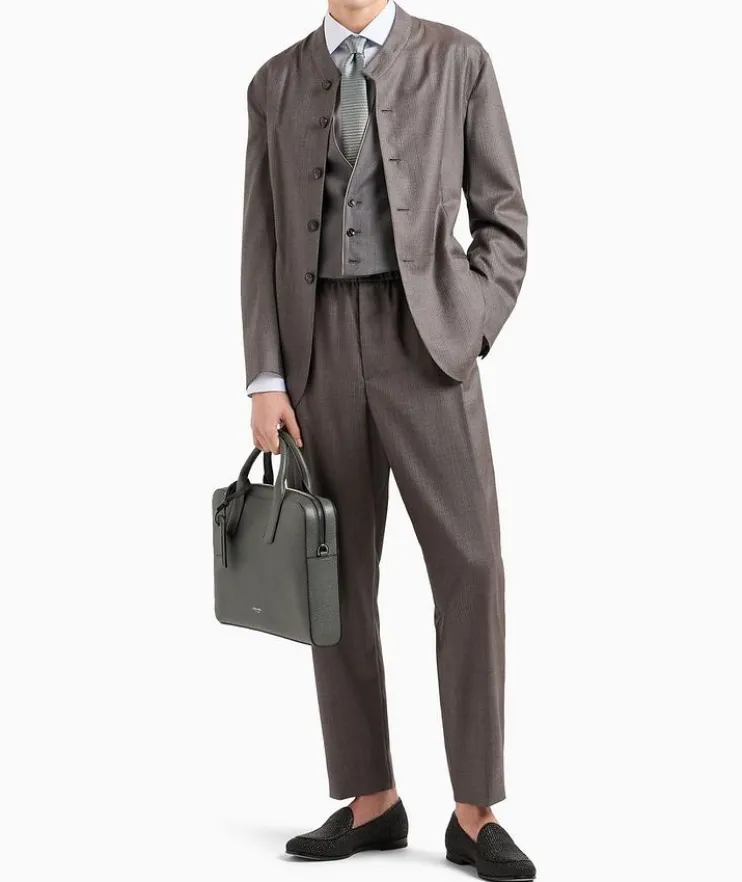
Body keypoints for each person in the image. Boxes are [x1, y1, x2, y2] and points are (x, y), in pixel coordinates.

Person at [240, 1, 535, 877]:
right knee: (332, 577)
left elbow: (504, 216)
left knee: (473, 567)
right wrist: (265, 377)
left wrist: (468, 323)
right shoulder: (273, 83)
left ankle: (475, 811)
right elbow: (260, 238)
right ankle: (371, 798)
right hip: (317, 351)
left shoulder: (458, 60)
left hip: (428, 346)